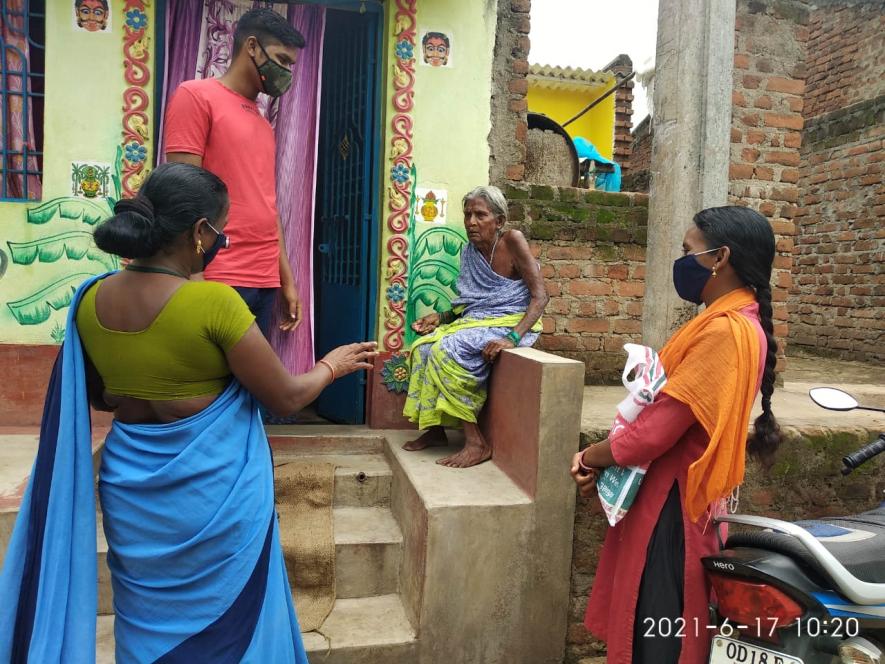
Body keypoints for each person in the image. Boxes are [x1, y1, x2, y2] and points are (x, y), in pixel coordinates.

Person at [0, 162, 376, 662]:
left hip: (132, 495)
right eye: (221, 230)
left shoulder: (89, 300)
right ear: (201, 232)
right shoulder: (214, 304)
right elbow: (284, 396)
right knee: (230, 633)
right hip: (212, 495)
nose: (223, 241)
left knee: (146, 624)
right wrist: (331, 365)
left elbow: (97, 397)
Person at [571, 206, 782, 664]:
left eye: (689, 251)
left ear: (719, 257)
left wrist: (591, 456)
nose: (683, 260)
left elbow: (654, 432)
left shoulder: (726, 331)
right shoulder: (735, 322)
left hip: (671, 505)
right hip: (680, 497)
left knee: (656, 629)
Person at [164, 8, 304, 338]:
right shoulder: (197, 96)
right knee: (211, 381)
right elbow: (181, 194)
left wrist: (286, 278)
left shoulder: (262, 123)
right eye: (282, 60)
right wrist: (194, 273)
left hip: (264, 278)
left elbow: (268, 205)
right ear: (252, 46)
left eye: (290, 65)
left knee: (249, 384)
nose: (286, 72)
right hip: (219, 272)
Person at [402, 185, 549, 468]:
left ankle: (476, 442)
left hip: (511, 320)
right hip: (477, 321)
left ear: (499, 221)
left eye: (480, 215)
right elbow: (472, 302)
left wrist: (512, 337)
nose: (471, 222)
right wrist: (442, 317)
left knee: (446, 349)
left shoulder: (512, 240)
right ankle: (435, 431)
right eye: (468, 214)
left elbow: (541, 297)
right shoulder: (470, 251)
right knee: (421, 348)